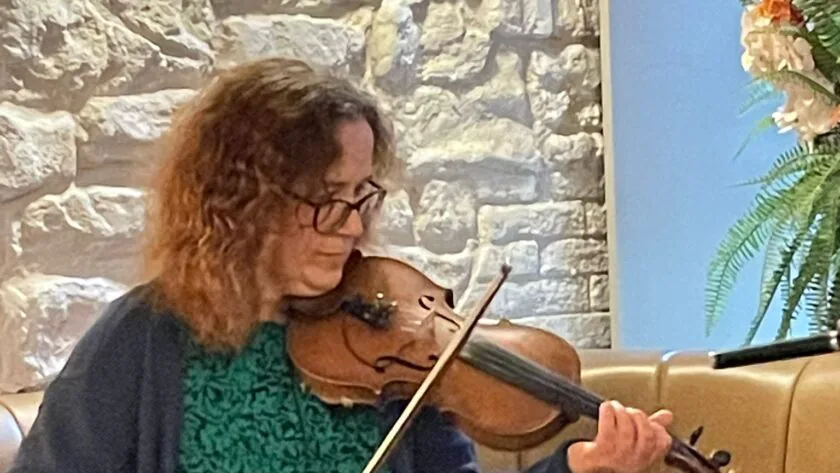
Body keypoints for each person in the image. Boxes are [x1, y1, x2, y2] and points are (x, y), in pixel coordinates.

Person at [9, 57, 674, 473]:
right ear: (245, 202)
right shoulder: (143, 338)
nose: (354, 226)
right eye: (327, 201)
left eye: (362, 195)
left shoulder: (385, 340)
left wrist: (583, 466)